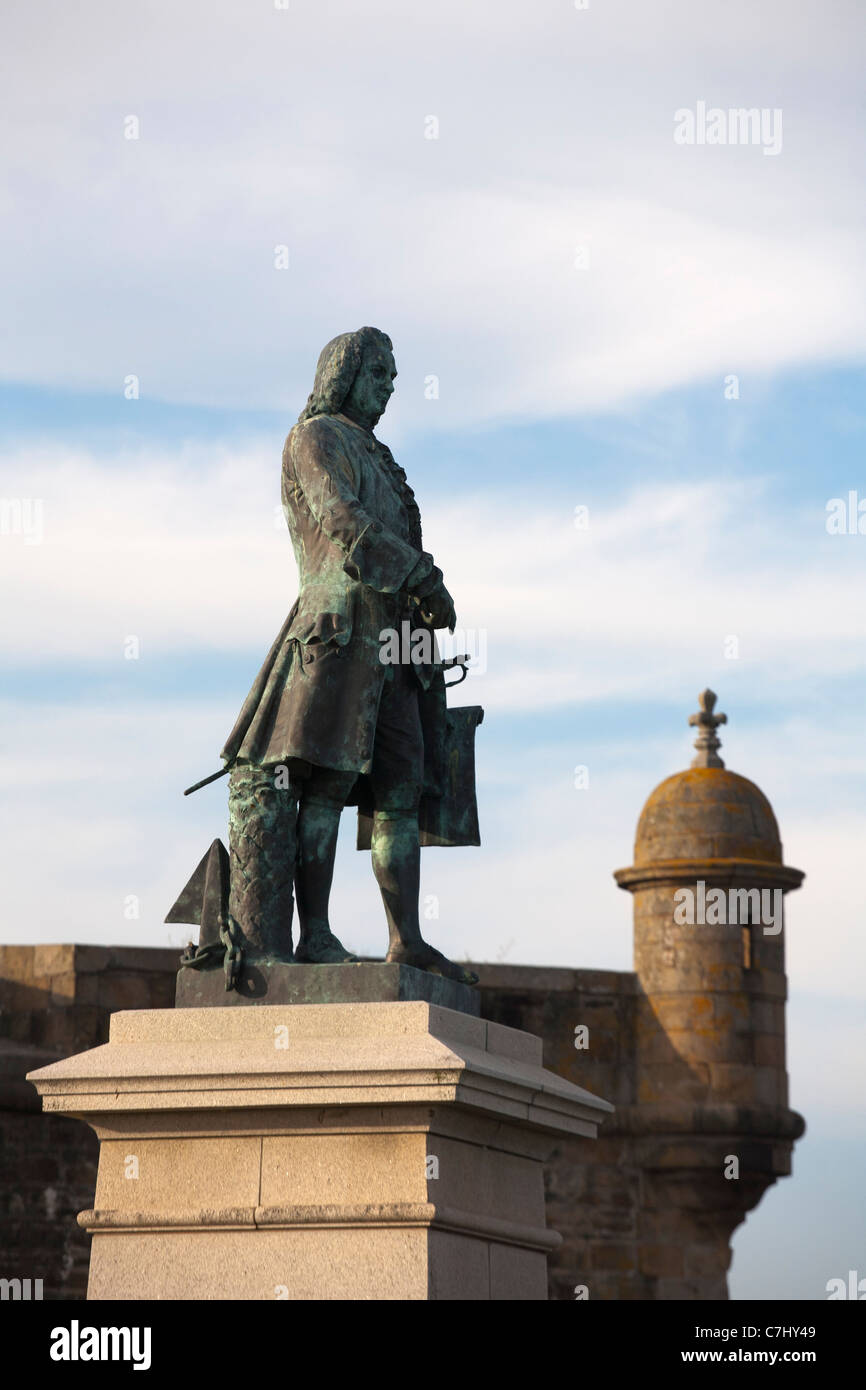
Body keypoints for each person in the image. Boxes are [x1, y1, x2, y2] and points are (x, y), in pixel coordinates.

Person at [220, 327, 477, 986]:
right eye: (379, 372)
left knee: (401, 794)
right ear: (343, 374)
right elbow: (342, 519)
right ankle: (318, 935)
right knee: (326, 784)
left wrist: (418, 601)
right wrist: (422, 575)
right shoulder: (315, 438)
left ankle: (406, 940)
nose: (389, 385)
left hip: (397, 648)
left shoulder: (379, 454)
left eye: (393, 375)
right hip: (336, 636)